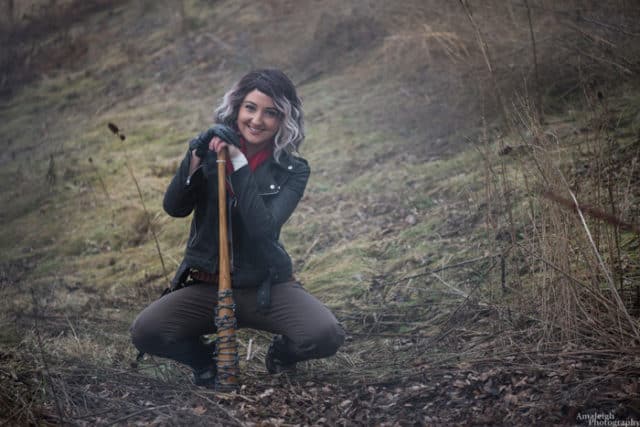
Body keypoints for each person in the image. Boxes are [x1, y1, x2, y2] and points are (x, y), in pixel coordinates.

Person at [130, 69, 345, 388]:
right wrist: (195, 152)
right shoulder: (210, 152)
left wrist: (239, 163)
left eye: (270, 113)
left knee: (325, 335)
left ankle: (282, 354)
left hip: (265, 288)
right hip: (207, 285)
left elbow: (263, 229)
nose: (257, 120)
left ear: (283, 121)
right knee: (146, 331)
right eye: (250, 108)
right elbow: (174, 208)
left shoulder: (294, 170)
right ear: (237, 109)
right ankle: (206, 361)